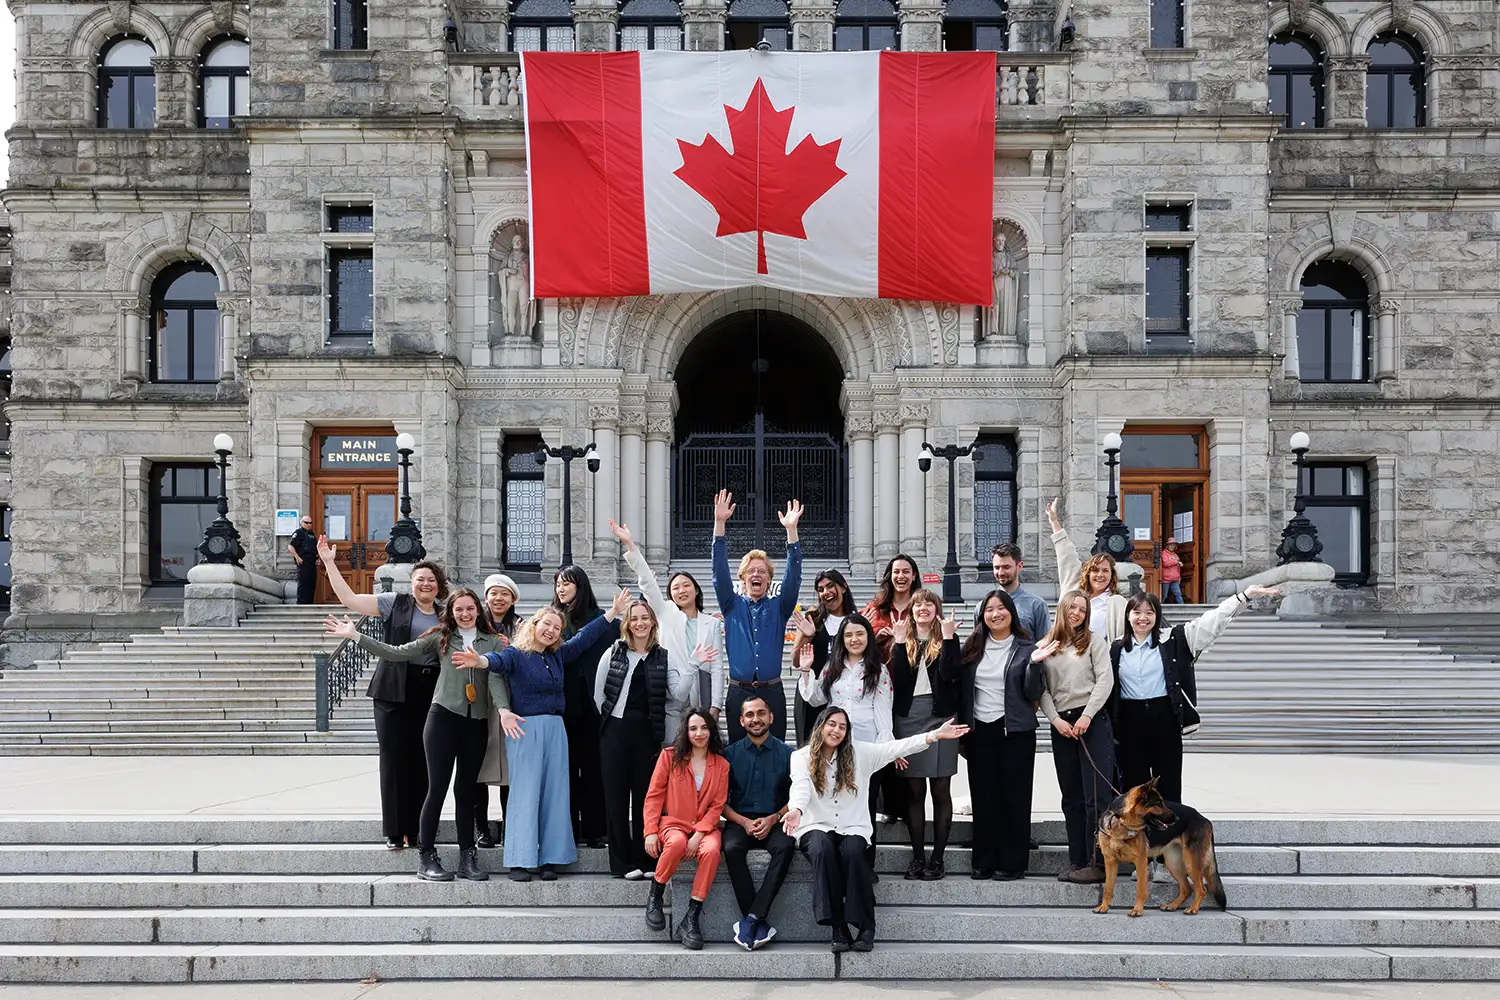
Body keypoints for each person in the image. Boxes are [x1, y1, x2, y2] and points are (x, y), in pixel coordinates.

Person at [326, 588, 508, 883]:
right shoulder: (441, 636)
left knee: (466, 791)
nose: (465, 614)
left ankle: (467, 856)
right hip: (442, 719)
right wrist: (356, 636)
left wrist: (504, 710)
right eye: (459, 609)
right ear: (451, 612)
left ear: (479, 610)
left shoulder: (494, 642)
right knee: (436, 789)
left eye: (470, 608)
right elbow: (397, 653)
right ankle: (427, 857)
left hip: (475, 723)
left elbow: (497, 679)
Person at [453, 587, 630, 881]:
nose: (551, 631)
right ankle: (519, 861)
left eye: (557, 628)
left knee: (555, 795)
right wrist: (480, 661)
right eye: (546, 624)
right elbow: (497, 662)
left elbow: (584, 638)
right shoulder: (516, 654)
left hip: (555, 730)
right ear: (534, 625)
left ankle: (550, 859)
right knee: (525, 794)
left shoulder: (557, 655)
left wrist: (612, 613)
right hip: (525, 729)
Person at [784, 706, 968, 953]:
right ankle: (838, 926)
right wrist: (796, 809)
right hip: (816, 823)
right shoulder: (801, 757)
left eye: (842, 727)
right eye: (832, 724)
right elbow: (800, 785)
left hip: (852, 825)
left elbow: (898, 747)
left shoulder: (861, 752)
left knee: (853, 852)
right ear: (820, 726)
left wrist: (935, 735)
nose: (836, 730)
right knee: (821, 848)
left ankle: (865, 927)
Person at [318, 538, 449, 850]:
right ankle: (394, 830)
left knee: (423, 760)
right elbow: (349, 599)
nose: (426, 584)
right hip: (393, 689)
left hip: (431, 690)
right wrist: (330, 563)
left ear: (439, 586)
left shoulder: (447, 613)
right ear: (412, 583)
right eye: (420, 579)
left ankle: (416, 829)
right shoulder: (394, 603)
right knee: (393, 759)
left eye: (431, 580)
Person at [1110, 586, 1280, 802]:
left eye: (1149, 612)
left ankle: (1171, 824)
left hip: (1164, 718)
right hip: (1129, 721)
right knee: (1134, 787)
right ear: (1128, 615)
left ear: (1157, 616)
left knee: (1168, 783)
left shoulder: (1175, 638)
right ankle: (1137, 825)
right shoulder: (1116, 648)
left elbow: (1212, 620)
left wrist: (1244, 596)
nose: (1143, 618)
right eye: (1137, 612)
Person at [593, 599, 704, 880]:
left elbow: (678, 696)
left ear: (653, 622)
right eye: (634, 618)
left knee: (646, 798)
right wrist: (612, 720)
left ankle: (646, 858)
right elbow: (599, 695)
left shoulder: (662, 656)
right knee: (616, 797)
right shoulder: (613, 652)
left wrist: (693, 665)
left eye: (645, 617)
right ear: (627, 623)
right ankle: (621, 863)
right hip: (615, 732)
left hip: (647, 734)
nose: (639, 623)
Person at [943, 588, 1043, 881]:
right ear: (982, 616)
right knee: (983, 796)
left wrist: (1035, 663)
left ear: (1011, 612)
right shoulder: (973, 647)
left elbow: (1033, 692)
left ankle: (1013, 863)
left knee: (1015, 797)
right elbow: (955, 682)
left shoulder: (1026, 647)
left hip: (1016, 730)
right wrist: (948, 638)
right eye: (989, 609)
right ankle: (984, 859)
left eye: (1001, 608)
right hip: (980, 730)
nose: (995, 614)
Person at [793, 612, 893, 874]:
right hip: (835, 746)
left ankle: (865, 867)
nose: (854, 639)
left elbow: (883, 714)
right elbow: (815, 698)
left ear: (868, 637)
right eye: (848, 635)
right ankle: (837, 864)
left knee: (865, 807)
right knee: (836, 804)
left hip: (866, 747)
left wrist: (885, 750)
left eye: (859, 634)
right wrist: (806, 670)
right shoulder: (832, 667)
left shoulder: (878, 670)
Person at [1031, 589, 1115, 885]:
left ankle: (1098, 861)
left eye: (1082, 609)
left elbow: (1105, 679)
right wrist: (1054, 720)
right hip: (1062, 725)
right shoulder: (1045, 645)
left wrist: (1087, 715)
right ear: (1062, 608)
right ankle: (1077, 860)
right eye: (1072, 607)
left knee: (1097, 797)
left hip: (1091, 720)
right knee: (1072, 797)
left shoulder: (1094, 641)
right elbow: (1041, 688)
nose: (1076, 613)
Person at [611, 520, 725, 727]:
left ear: (696, 590)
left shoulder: (712, 624)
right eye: (675, 588)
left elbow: (717, 667)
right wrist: (630, 545)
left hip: (701, 697)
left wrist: (716, 706)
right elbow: (647, 582)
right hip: (670, 696)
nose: (681, 591)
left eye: (686, 585)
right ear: (670, 595)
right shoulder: (665, 612)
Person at [712, 489, 804, 743]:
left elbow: (794, 578)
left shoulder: (780, 607)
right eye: (751, 571)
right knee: (737, 754)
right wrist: (719, 525)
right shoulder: (731, 605)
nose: (756, 575)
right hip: (738, 693)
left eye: (762, 571)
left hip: (771, 691)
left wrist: (791, 532)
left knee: (776, 754)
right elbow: (718, 573)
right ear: (743, 578)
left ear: (769, 579)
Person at [887, 590, 961, 880]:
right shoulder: (903, 638)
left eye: (929, 603)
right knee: (914, 792)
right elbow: (899, 679)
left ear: (936, 609)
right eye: (918, 604)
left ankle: (937, 859)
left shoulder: (947, 637)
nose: (923, 607)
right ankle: (918, 857)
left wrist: (949, 638)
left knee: (941, 789)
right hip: (909, 717)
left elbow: (951, 674)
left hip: (941, 716)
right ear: (911, 610)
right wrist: (898, 641)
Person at [642, 708, 730, 951]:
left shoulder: (721, 765)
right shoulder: (670, 757)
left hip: (706, 827)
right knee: (677, 843)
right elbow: (654, 796)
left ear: (712, 731)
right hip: (673, 824)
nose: (699, 733)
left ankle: (691, 917)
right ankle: (656, 894)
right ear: (686, 732)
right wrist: (650, 830)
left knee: (711, 850)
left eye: (704, 728)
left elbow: (717, 806)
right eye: (693, 728)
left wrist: (699, 834)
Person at [722, 695, 796, 951]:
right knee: (731, 848)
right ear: (741, 721)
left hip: (775, 820)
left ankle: (751, 918)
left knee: (786, 846)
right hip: (739, 821)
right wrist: (743, 822)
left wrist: (774, 817)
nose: (756, 719)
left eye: (761, 713)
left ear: (771, 717)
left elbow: (798, 797)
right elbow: (718, 801)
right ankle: (757, 920)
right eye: (750, 715)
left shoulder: (789, 754)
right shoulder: (728, 755)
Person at [554, 564, 610, 849]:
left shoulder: (602, 619)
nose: (561, 589)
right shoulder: (553, 619)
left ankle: (595, 830)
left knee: (593, 769)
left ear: (581, 586)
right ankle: (569, 830)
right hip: (562, 705)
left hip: (593, 705)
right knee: (566, 769)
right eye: (558, 584)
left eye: (566, 583)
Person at [475, 573, 522, 850]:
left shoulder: (522, 627)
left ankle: (508, 826)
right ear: (486, 597)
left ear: (513, 599)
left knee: (509, 769)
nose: (499, 598)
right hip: (478, 700)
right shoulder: (474, 623)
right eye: (494, 593)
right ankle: (481, 827)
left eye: (504, 594)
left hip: (509, 704)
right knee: (477, 766)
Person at [790, 570, 855, 745]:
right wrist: (808, 636)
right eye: (820, 589)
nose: (826, 592)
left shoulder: (855, 621)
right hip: (811, 693)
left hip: (842, 693)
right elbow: (795, 661)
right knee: (809, 747)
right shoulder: (813, 618)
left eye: (830, 586)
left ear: (843, 587)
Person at [1047, 498, 1126, 641]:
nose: (1100, 575)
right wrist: (1054, 521)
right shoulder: (1073, 588)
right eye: (1095, 570)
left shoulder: (1115, 603)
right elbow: (1066, 554)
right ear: (1088, 573)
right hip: (1062, 649)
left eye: (1105, 571)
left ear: (1112, 575)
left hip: (1096, 653)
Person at [988, 542, 1050, 644]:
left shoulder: (1037, 605)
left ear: (1019, 566)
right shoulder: (982, 607)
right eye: (997, 567)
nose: (1001, 573)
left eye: (1006, 567)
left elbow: (1045, 644)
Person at [862, 554, 920, 661]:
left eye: (906, 571)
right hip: (879, 669)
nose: (900, 576)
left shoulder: (922, 609)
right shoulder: (874, 608)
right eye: (896, 572)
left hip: (912, 669)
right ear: (890, 576)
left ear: (914, 576)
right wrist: (875, 639)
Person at [287, 516, 318, 605]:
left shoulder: (312, 534)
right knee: (304, 582)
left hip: (312, 561)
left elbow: (314, 548)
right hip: (303, 561)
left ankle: (309, 602)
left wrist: (317, 558)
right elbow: (290, 547)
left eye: (310, 523)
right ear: (301, 523)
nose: (309, 525)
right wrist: (297, 557)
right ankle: (301, 603)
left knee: (311, 582)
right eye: (306, 522)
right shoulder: (299, 532)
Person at [1161, 538, 1185, 604]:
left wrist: (1179, 578)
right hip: (1166, 579)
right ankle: (1159, 607)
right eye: (1170, 545)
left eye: (1173, 545)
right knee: (1164, 595)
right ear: (1167, 546)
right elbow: (1165, 563)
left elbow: (1178, 569)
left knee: (1178, 594)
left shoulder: (1176, 555)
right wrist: (1176, 562)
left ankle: (1183, 608)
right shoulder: (1164, 553)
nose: (1172, 546)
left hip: (1175, 579)